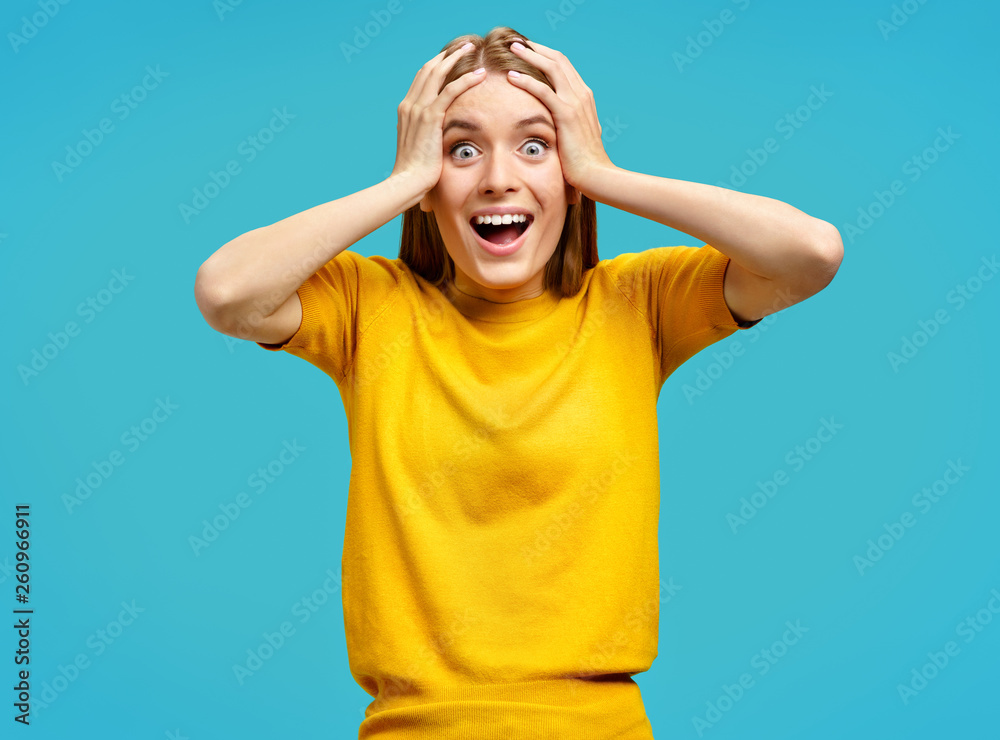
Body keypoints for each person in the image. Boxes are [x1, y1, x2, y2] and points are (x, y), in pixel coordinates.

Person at [194, 25, 842, 740]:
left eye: (535, 146)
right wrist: (403, 182)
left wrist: (602, 172)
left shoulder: (638, 304)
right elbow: (228, 293)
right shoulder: (368, 307)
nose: (498, 177)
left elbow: (809, 254)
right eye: (461, 148)